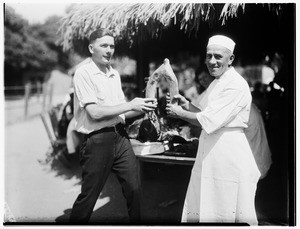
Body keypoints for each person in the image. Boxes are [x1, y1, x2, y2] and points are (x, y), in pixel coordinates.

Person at [166, 35, 261, 224]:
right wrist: (186, 105)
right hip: (211, 151)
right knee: (207, 203)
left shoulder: (235, 84)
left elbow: (207, 120)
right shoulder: (218, 81)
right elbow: (204, 112)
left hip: (227, 154)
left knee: (226, 207)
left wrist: (179, 113)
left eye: (218, 56)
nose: (211, 61)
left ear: (230, 59)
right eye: (208, 56)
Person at [69, 28, 157, 223]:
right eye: (104, 45)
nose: (109, 50)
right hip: (97, 141)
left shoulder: (114, 74)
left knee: (134, 189)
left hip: (120, 137)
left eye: (112, 46)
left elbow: (122, 111)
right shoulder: (83, 73)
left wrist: (143, 107)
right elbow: (95, 113)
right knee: (89, 198)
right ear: (92, 48)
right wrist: (131, 104)